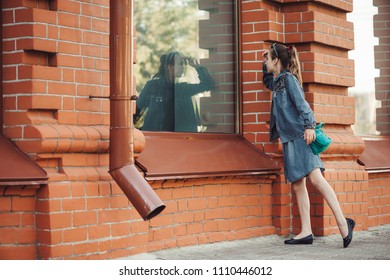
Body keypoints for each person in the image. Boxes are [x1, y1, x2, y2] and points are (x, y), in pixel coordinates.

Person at [262, 43, 355, 248]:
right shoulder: (277, 81)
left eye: (267, 57)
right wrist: (263, 61)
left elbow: (303, 104)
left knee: (316, 179)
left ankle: (343, 223)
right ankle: (306, 231)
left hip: (301, 136)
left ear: (276, 60)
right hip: (290, 138)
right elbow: (267, 80)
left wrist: (310, 126)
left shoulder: (288, 80)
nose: (265, 61)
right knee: (298, 184)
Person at [135, 51, 214, 132]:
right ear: (170, 67)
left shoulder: (183, 89)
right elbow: (136, 111)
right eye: (180, 64)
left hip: (178, 139)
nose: (183, 67)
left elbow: (208, 85)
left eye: (184, 64)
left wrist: (196, 67)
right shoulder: (152, 87)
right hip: (155, 138)